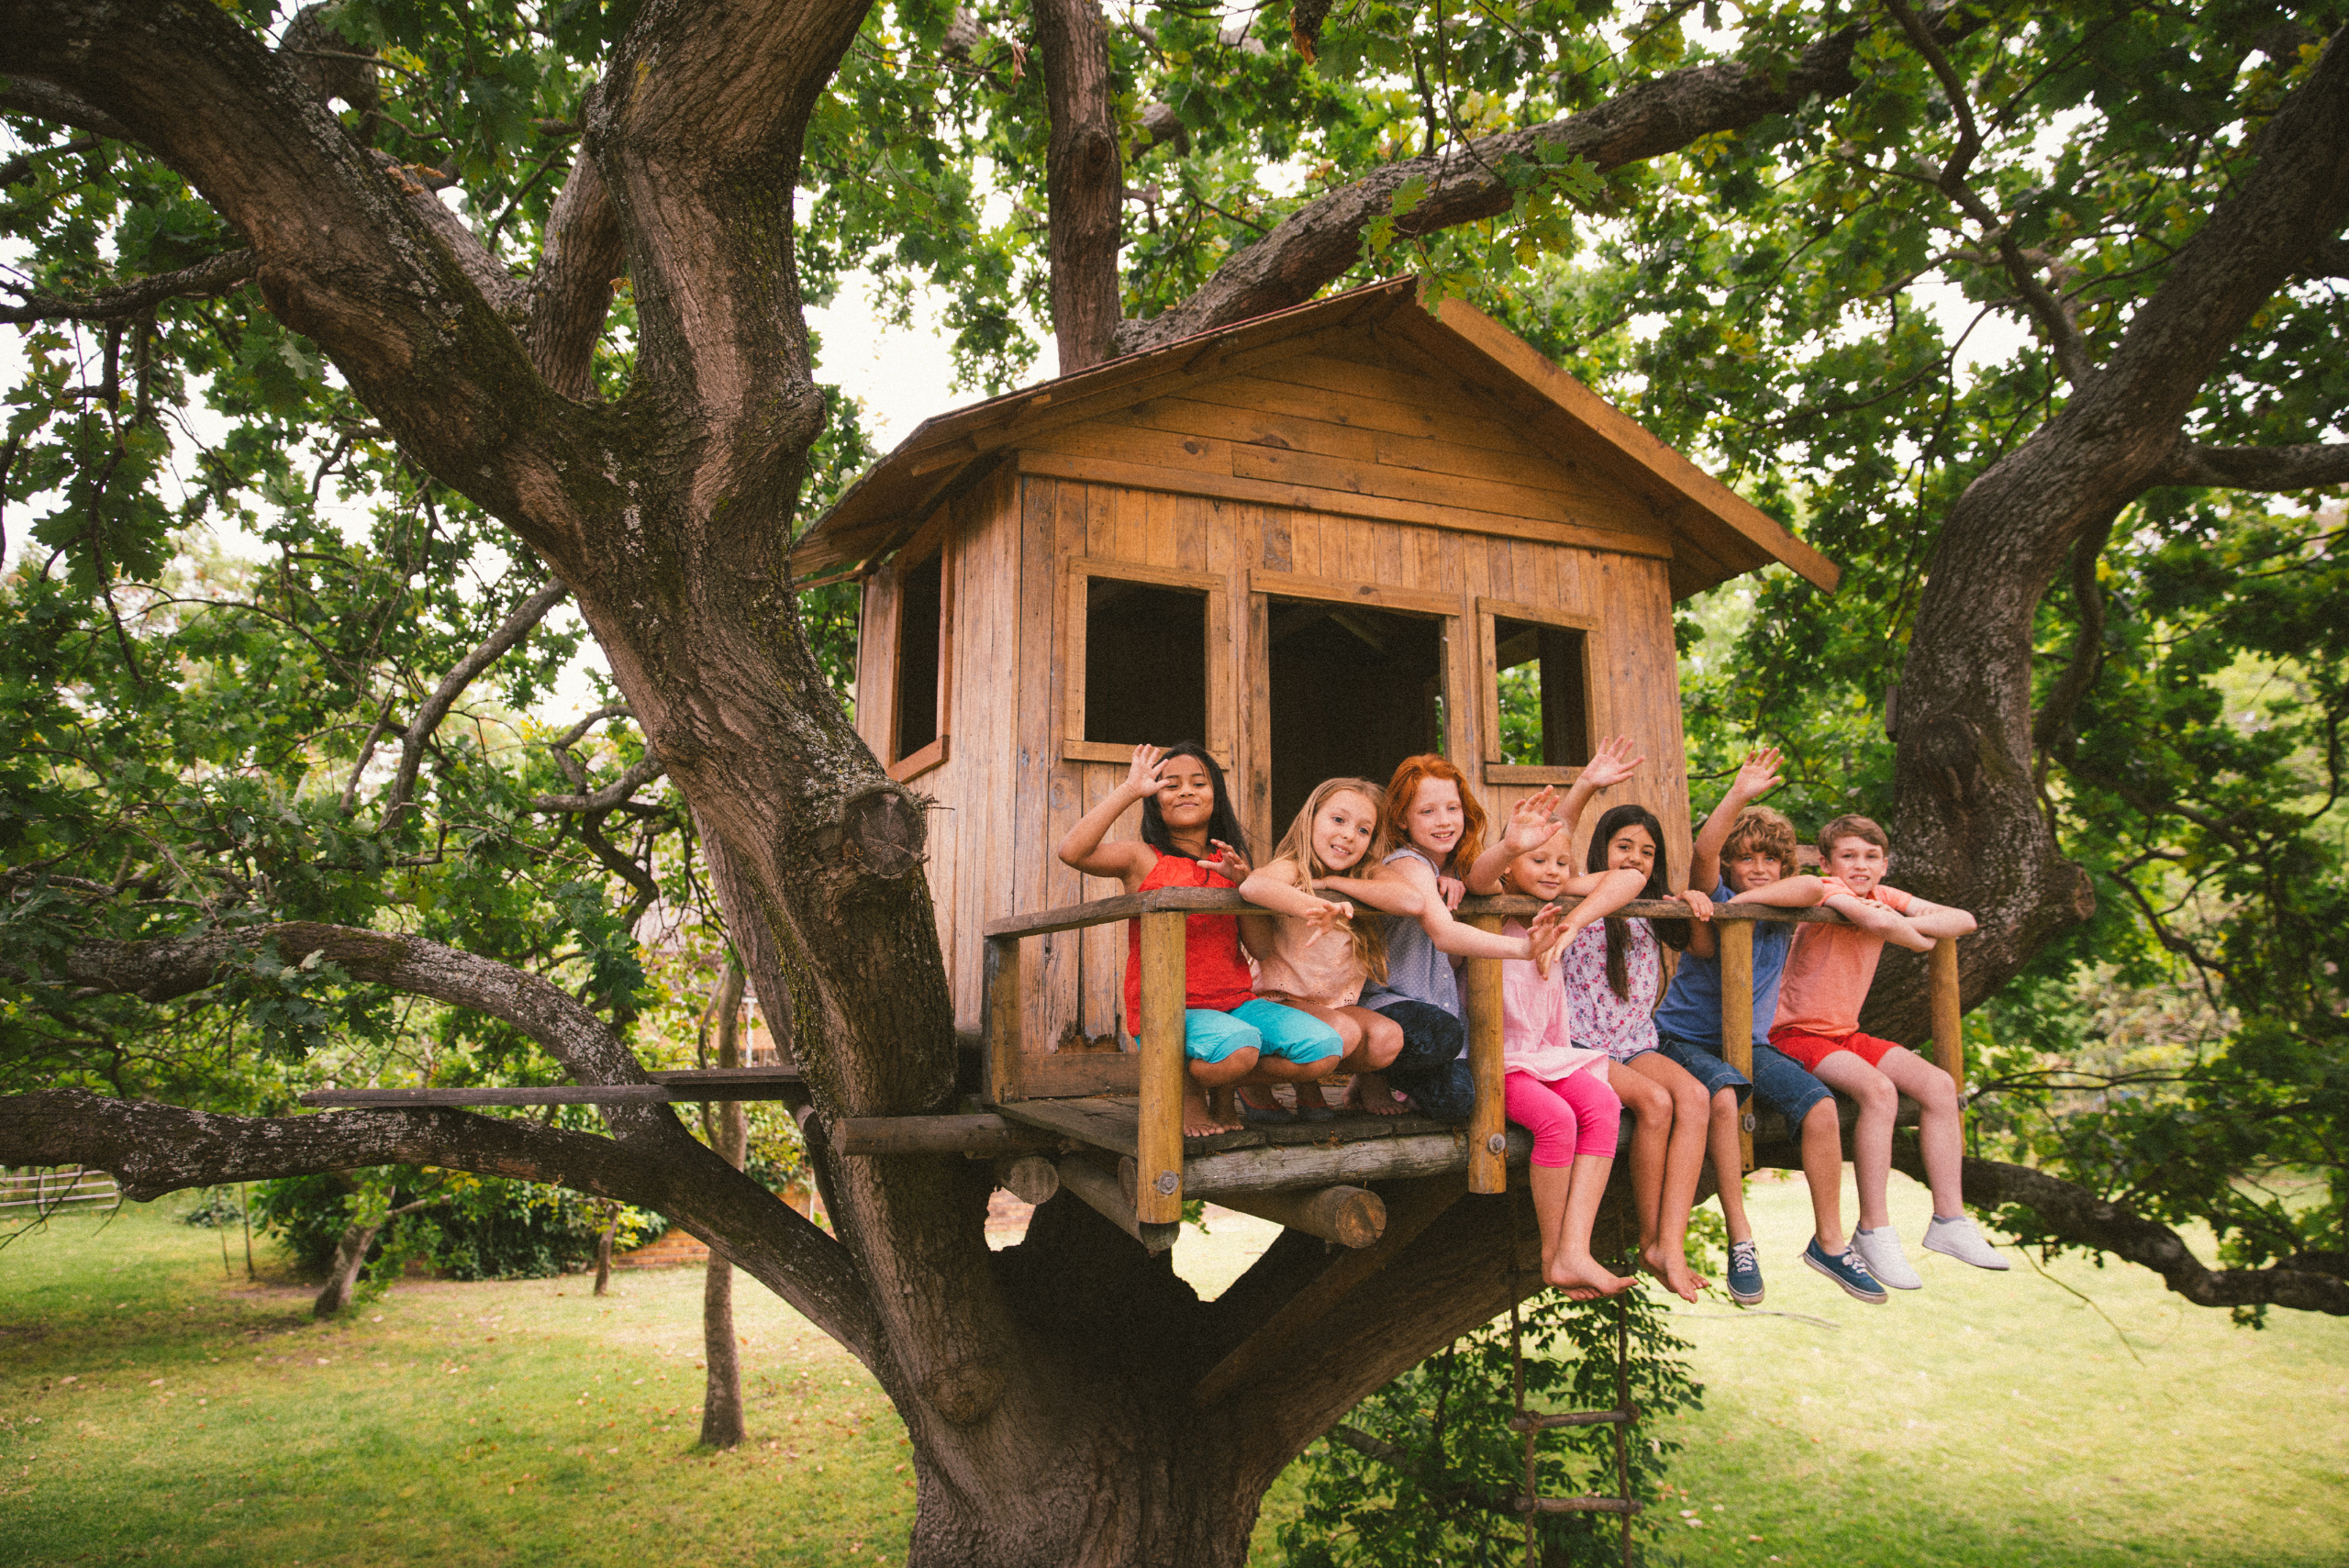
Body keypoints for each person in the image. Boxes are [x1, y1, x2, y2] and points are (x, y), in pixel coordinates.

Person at [1652, 749, 1887, 1305]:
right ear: (1732, 867)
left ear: (1784, 865)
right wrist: (1738, 794)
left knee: (1822, 1107)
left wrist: (1748, 908)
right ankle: (1741, 1237)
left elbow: (1812, 888)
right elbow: (1704, 852)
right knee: (1727, 1101)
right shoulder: (1717, 899)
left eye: (1770, 860)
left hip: (1751, 1044)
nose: (1758, 868)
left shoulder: (1780, 902)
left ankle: (1829, 1242)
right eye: (1747, 860)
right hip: (1685, 1041)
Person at [1767, 814, 2010, 1287]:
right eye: (1849, 856)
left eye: (1871, 857)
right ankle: (1873, 1230)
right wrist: (1917, 933)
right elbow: (1872, 921)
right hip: (1792, 1033)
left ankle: (1949, 1220)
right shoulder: (1823, 889)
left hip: (1843, 1032)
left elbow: (1964, 920)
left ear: (1884, 864)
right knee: (1879, 1092)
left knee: (1939, 1086)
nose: (1861, 866)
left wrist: (1910, 925)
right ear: (1827, 861)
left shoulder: (1884, 894)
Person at [1055, 741, 1343, 1136]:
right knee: (1238, 1046)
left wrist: (1245, 886)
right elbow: (1072, 851)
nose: (1187, 791)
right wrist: (1129, 789)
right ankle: (1190, 1091)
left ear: (1216, 796)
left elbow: (1260, 948)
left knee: (1325, 1050)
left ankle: (1223, 1086)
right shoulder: (1143, 859)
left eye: (1198, 783)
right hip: (1168, 1010)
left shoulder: (1231, 859)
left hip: (1236, 1004)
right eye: (1170, 785)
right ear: (1154, 801)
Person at [1339, 754, 1598, 1121]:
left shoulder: (1455, 868)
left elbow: (1486, 883)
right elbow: (1444, 936)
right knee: (1442, 1035)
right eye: (1427, 811)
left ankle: (1389, 1074)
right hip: (1390, 1003)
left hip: (1432, 1008)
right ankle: (1372, 1073)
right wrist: (1521, 948)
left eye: (1452, 808)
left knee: (1460, 1099)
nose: (1443, 821)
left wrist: (1510, 847)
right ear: (1401, 818)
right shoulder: (1406, 863)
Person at [1542, 802, 1712, 1302]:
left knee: (1696, 1097)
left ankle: (1668, 1243)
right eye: (1624, 847)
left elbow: (1700, 946)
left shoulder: (1652, 907)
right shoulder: (1581, 896)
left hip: (1635, 1042)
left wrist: (1694, 900)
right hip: (1582, 1044)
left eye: (1647, 852)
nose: (1635, 859)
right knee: (1656, 1103)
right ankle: (1649, 1235)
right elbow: (1558, 858)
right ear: (1601, 849)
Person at [1491, 819, 1635, 1299]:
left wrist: (1572, 912)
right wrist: (1519, 859)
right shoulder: (1487, 909)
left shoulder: (1556, 915)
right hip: (1498, 1060)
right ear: (1506, 865)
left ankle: (1576, 1246)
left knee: (1603, 1105)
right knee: (1556, 1119)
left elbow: (1630, 877)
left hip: (1542, 1054)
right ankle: (1553, 1253)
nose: (1552, 870)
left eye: (1561, 863)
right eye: (1538, 860)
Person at [1234, 777, 1408, 1122]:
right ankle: (1242, 1079)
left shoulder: (1365, 874)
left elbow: (1410, 898)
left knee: (1388, 1039)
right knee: (1342, 1032)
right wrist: (1313, 905)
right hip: (1276, 1000)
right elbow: (1254, 884)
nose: (1348, 835)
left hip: (1331, 1004)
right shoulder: (1294, 867)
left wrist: (1333, 885)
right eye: (1338, 820)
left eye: (1363, 830)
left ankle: (1305, 1082)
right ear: (1310, 819)